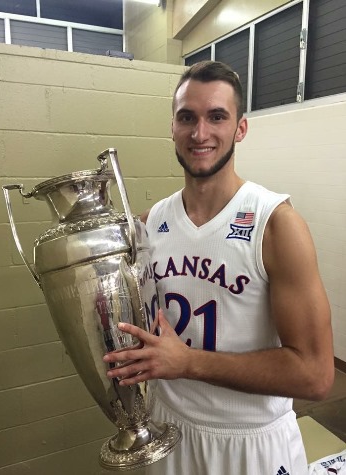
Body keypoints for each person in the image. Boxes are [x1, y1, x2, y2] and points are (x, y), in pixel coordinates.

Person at [103, 61, 335, 475]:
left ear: (240, 129)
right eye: (187, 117)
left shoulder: (275, 224)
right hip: (168, 434)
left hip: (250, 443)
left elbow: (316, 376)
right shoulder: (149, 223)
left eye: (217, 117)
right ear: (172, 127)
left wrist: (188, 362)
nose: (200, 133)